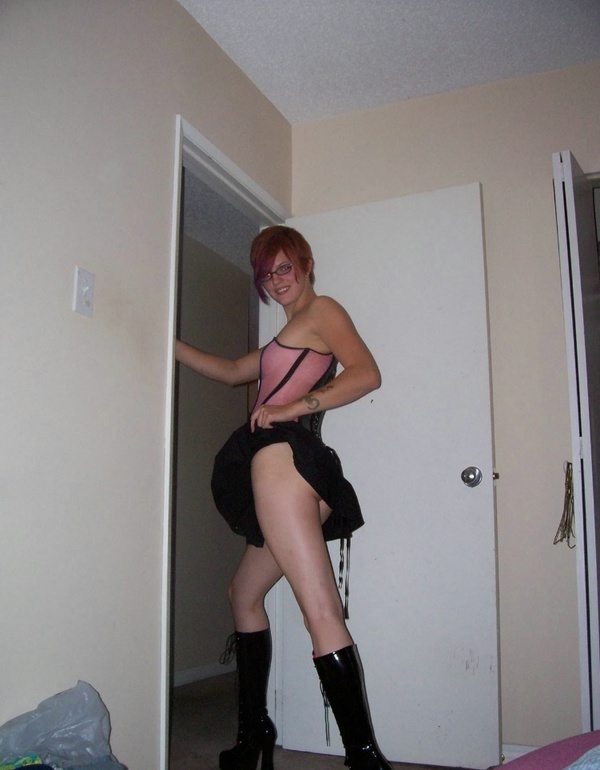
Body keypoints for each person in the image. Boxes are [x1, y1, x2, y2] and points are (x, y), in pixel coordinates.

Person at [175, 225, 392, 770]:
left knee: (320, 611)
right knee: (243, 594)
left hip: (284, 464)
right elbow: (232, 372)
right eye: (266, 274)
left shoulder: (323, 312)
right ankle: (255, 734)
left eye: (284, 268)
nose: (275, 281)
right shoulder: (287, 334)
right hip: (287, 473)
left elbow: (367, 374)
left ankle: (364, 759)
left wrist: (294, 407)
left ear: (306, 264)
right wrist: (168, 343)